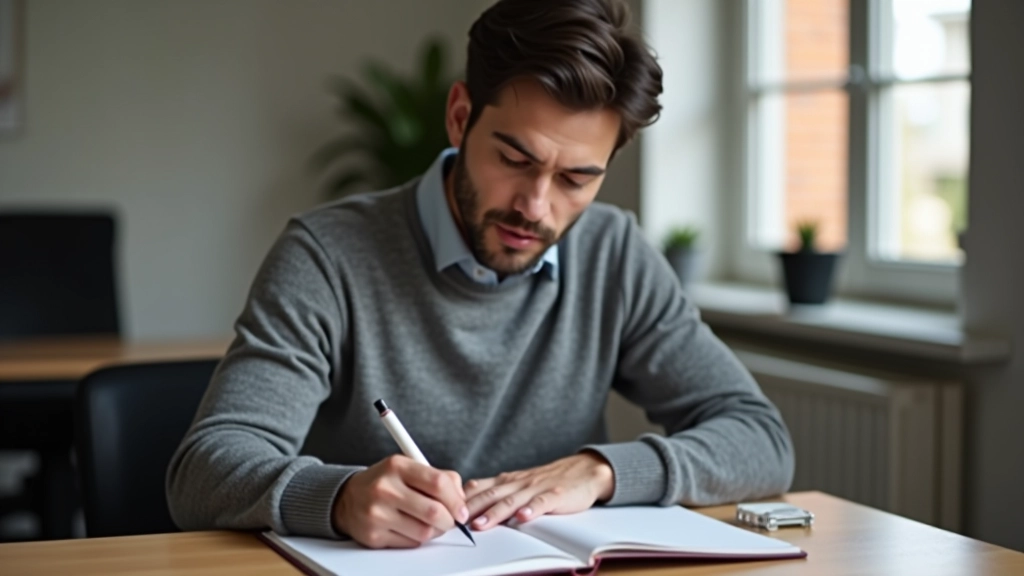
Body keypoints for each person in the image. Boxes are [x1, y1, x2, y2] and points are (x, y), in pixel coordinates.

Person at [167, 0, 794, 550]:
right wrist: (338, 498)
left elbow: (761, 440)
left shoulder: (615, 253)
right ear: (461, 116)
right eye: (514, 158)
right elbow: (203, 471)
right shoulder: (327, 255)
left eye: (578, 178)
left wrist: (601, 471)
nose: (537, 207)